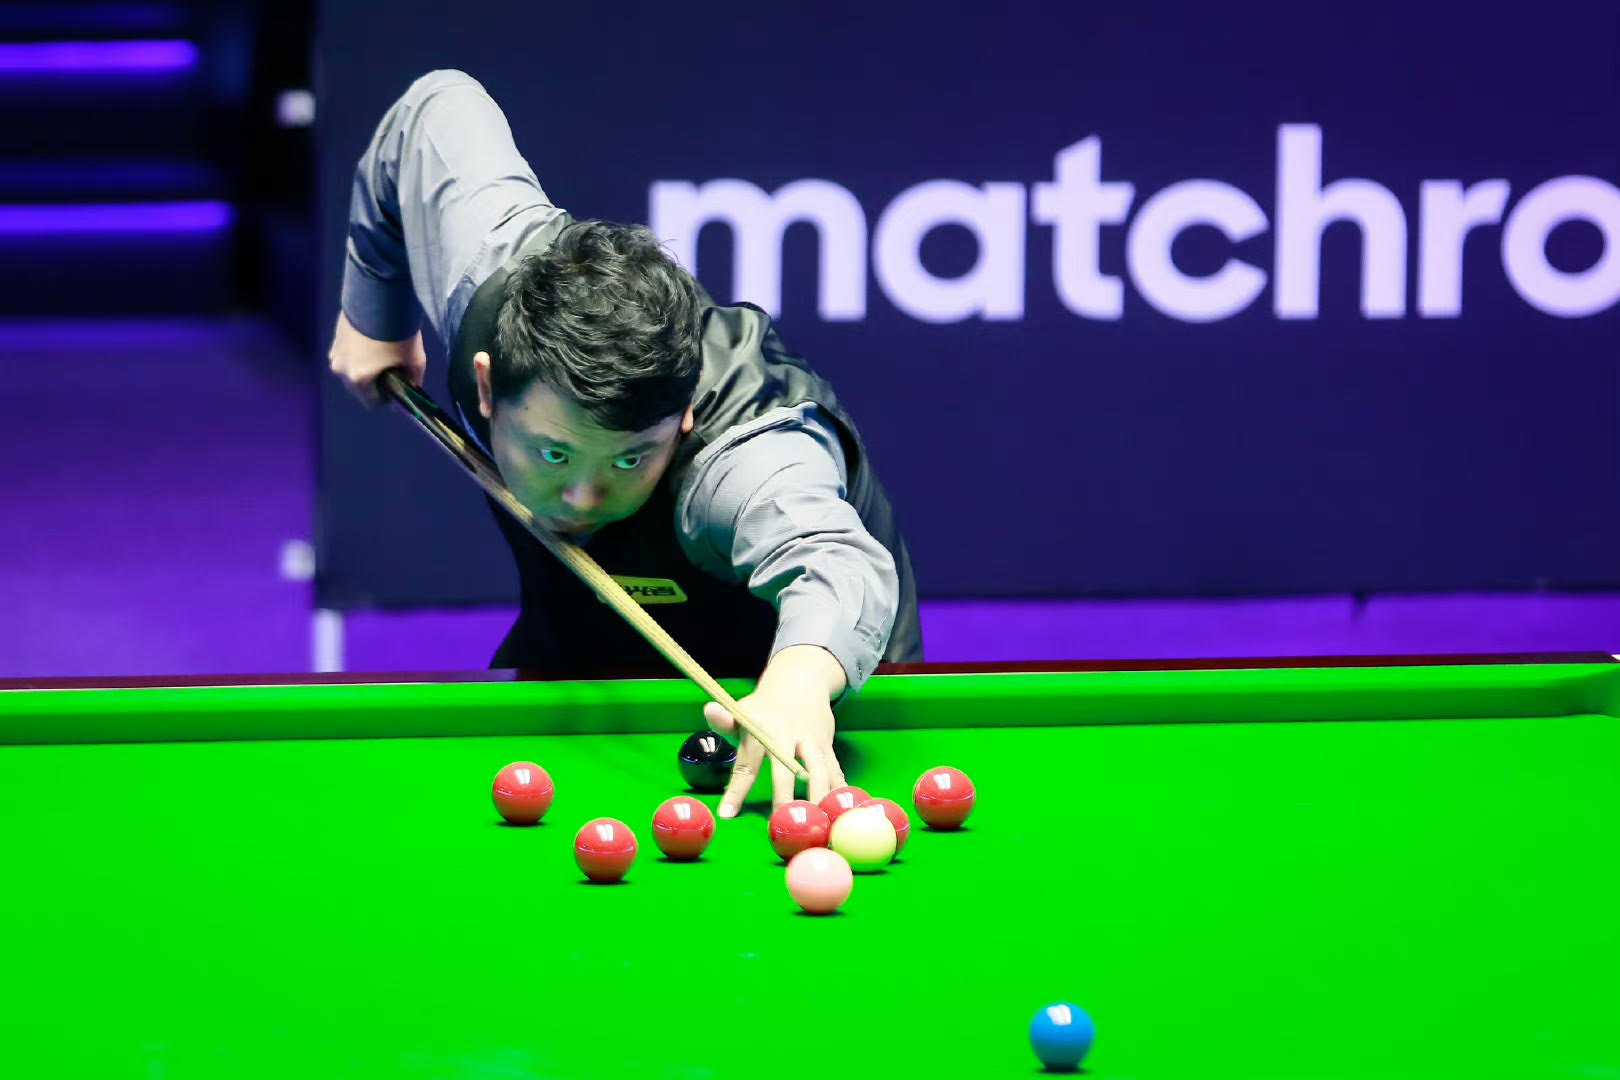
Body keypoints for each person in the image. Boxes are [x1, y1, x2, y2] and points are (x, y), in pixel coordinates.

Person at [329, 70, 922, 819]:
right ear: (487, 386)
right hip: (584, 638)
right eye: (554, 454)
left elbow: (833, 560)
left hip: (803, 672)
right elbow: (432, 111)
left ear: (681, 417)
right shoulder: (490, 274)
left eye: (629, 459)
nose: (583, 497)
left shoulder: (742, 459)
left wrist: (801, 680)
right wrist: (375, 315)